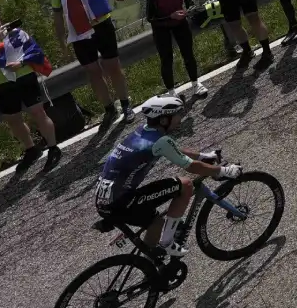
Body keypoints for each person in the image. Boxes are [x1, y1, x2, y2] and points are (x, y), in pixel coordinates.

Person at [93, 94, 238, 256]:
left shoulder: (142, 131)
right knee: (185, 185)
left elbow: (174, 149)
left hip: (105, 201)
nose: (180, 119)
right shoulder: (161, 141)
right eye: (177, 115)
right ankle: (167, 242)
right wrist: (222, 171)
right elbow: (191, 166)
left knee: (157, 222)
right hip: (122, 202)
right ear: (163, 120)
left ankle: (149, 265)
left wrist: (204, 156)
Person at [0, 8, 62, 172]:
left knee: (38, 113)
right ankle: (31, 149)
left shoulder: (17, 33)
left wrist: (22, 63)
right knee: (13, 120)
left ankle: (53, 148)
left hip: (25, 78)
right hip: (2, 85)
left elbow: (35, 51)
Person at [49, 0, 132, 125]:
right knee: (93, 73)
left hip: (102, 26)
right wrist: (62, 42)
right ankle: (109, 108)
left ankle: (125, 104)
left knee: (113, 67)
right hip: (78, 32)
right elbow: (57, 17)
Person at [145, 0, 206, 97]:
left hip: (180, 22)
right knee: (166, 59)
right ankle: (171, 92)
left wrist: (189, 10)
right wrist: (169, 16)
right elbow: (150, 18)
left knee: (188, 54)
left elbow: (189, 1)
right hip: (161, 27)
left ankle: (196, 84)